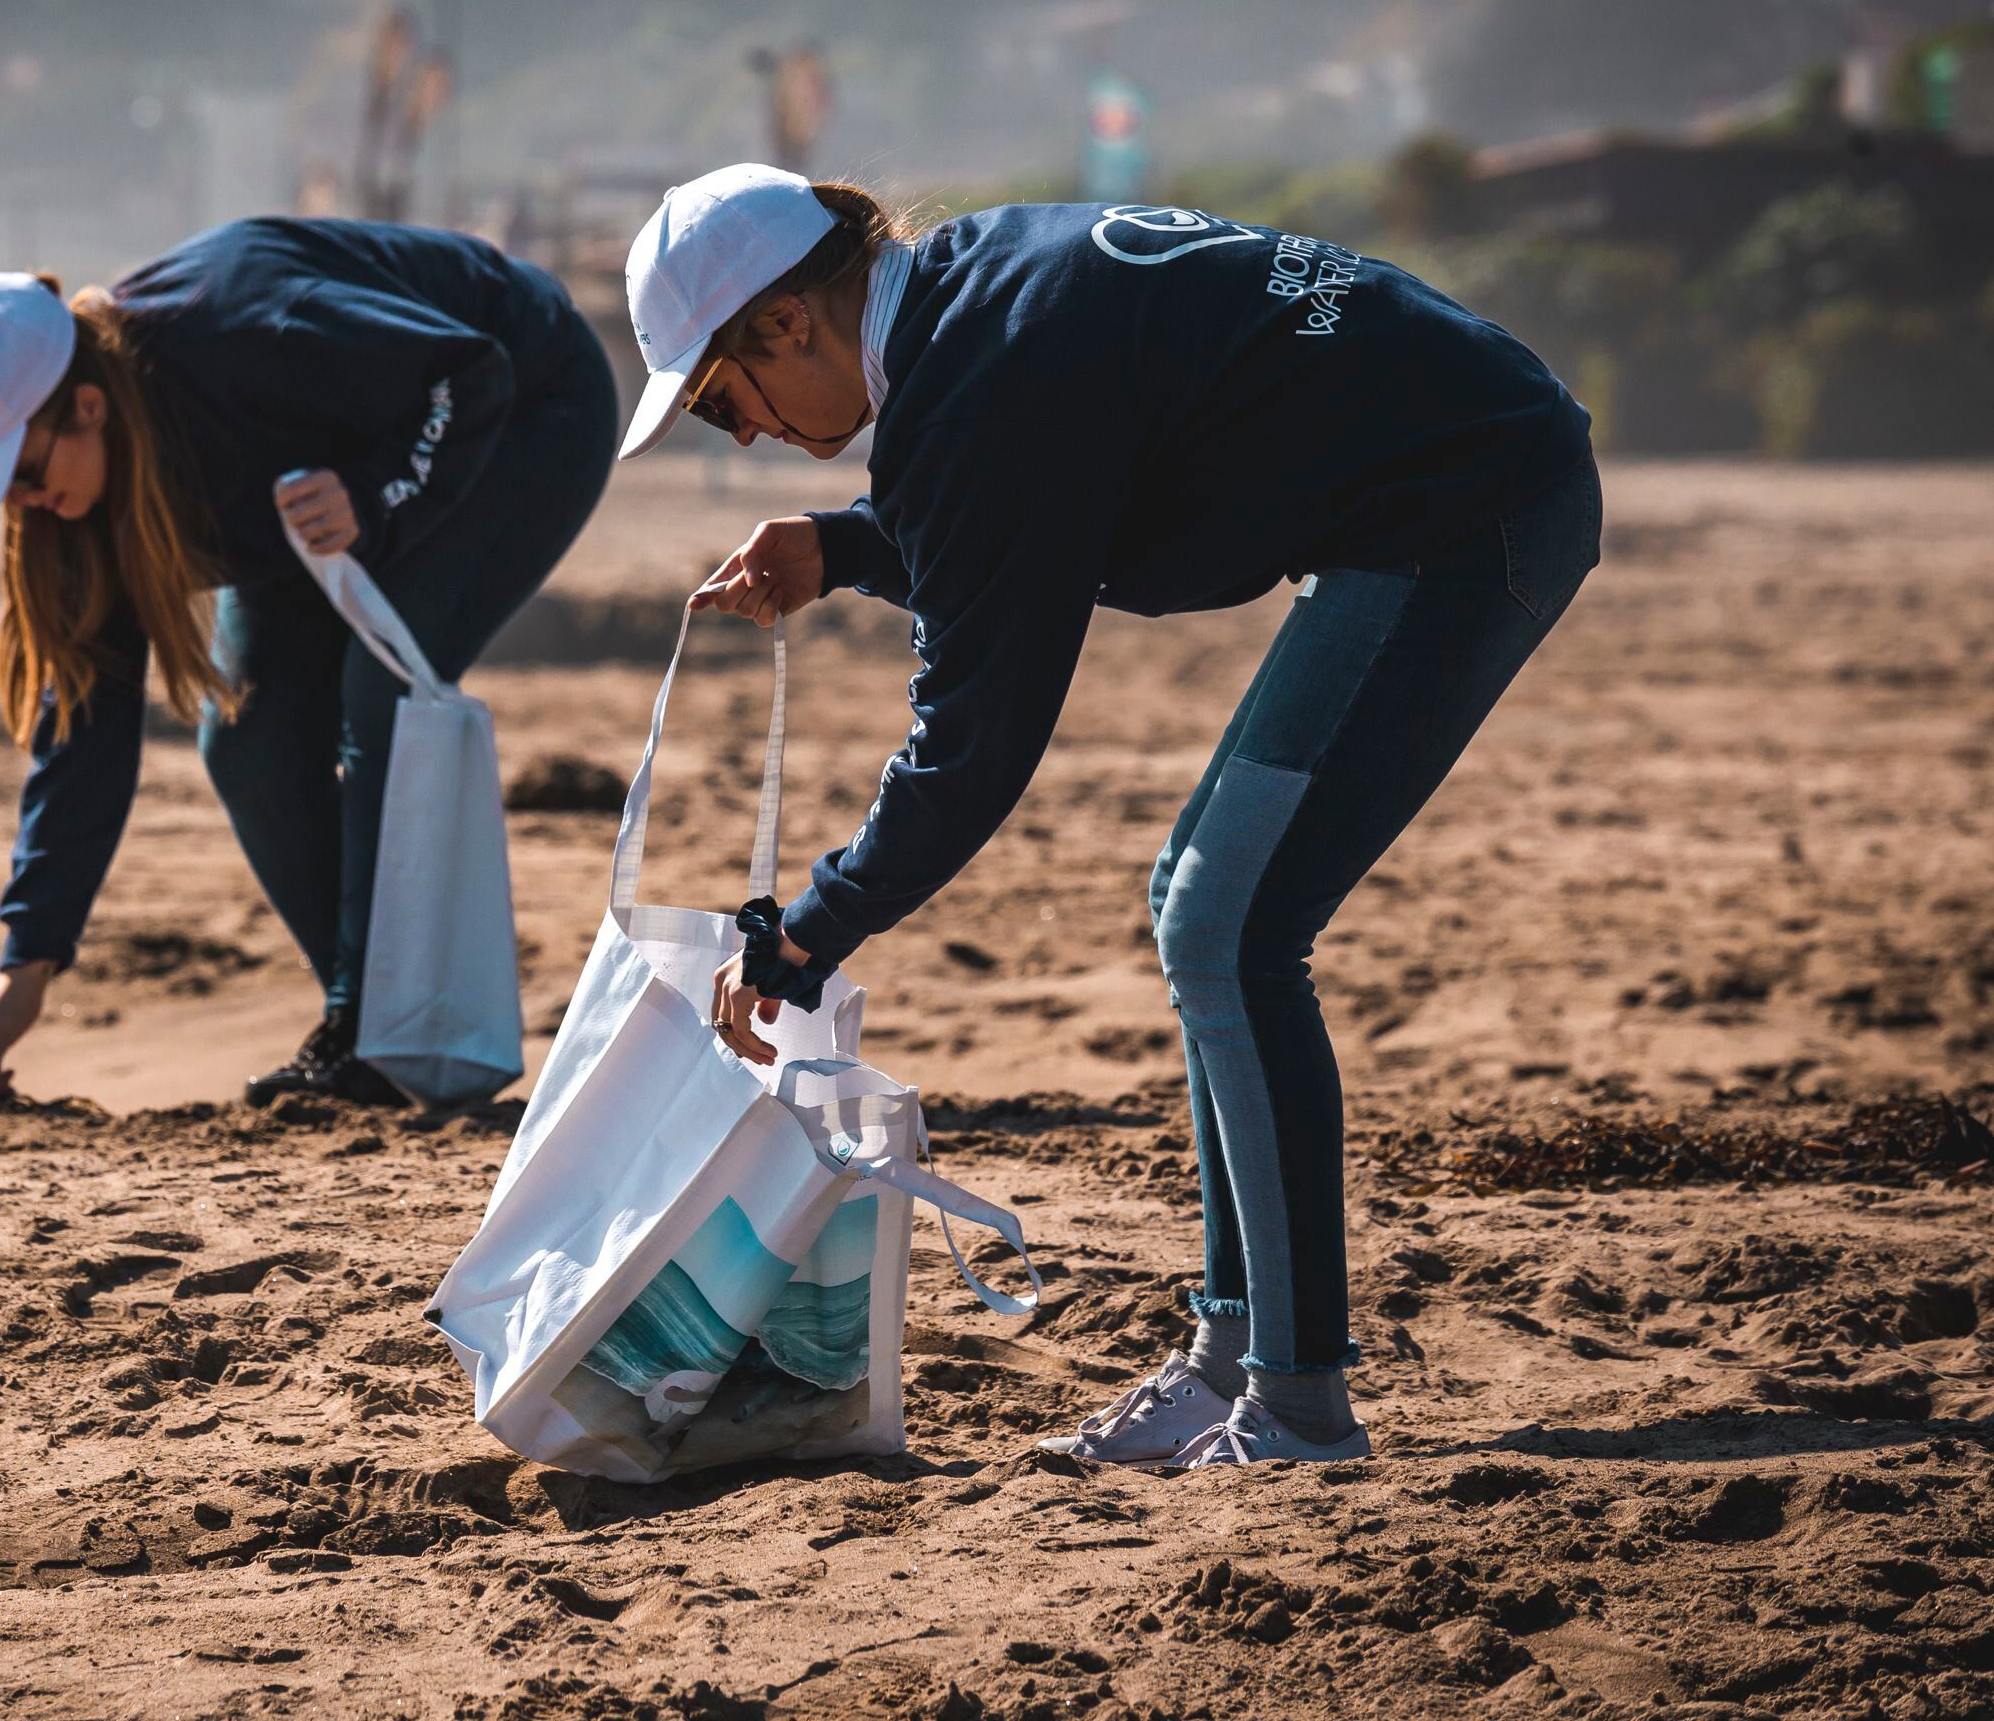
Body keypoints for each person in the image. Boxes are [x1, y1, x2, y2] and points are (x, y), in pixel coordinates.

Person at [629, 166, 1599, 1469]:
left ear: (788, 323)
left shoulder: (979, 386)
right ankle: (1227, 1361)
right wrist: (848, 548)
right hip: (1447, 483)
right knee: (1204, 916)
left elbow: (971, 747)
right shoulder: (978, 294)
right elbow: (1023, 510)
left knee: (1231, 931)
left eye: (712, 397)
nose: (733, 434)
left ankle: (1299, 1403)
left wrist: (806, 934)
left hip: (1472, 507)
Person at [0, 220, 615, 1109]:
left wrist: (371, 498)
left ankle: (377, 1037)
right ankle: (373, 1030)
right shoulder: (78, 506)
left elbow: (467, 371)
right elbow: (82, 725)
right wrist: (25, 971)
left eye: (20, 473)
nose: (22, 506)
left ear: (86, 405)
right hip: (321, 467)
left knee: (380, 688)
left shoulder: (243, 328)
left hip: (524, 402)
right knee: (244, 734)